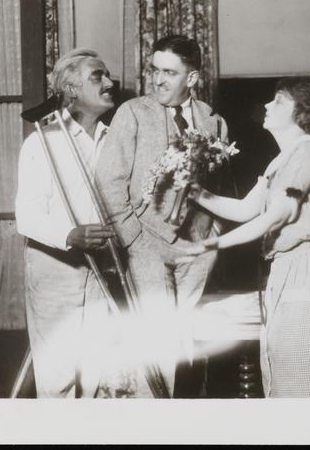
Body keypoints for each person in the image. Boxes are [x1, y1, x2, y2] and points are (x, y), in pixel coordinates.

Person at [179, 78, 310, 398]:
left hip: (308, 267)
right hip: (289, 266)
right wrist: (197, 193)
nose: (266, 105)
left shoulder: (306, 154)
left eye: (278, 101)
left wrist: (213, 243)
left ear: (302, 112)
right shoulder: (281, 159)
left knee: (307, 371)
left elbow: (275, 217)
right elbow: (246, 209)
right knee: (286, 368)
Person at [95, 35, 229, 397]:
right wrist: (132, 239)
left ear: (192, 78)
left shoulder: (214, 122)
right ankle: (152, 418)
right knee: (157, 341)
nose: (157, 79)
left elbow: (218, 187)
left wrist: (212, 234)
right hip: (146, 244)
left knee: (187, 340)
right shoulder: (132, 113)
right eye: (154, 70)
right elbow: (108, 180)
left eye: (169, 72)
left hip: (196, 249)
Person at [14, 48, 117, 398]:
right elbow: (27, 215)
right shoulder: (42, 141)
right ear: (71, 90)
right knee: (58, 377)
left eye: (107, 75)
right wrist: (70, 235)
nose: (110, 82)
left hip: (102, 270)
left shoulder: (114, 140)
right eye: (97, 76)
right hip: (55, 267)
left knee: (95, 373)